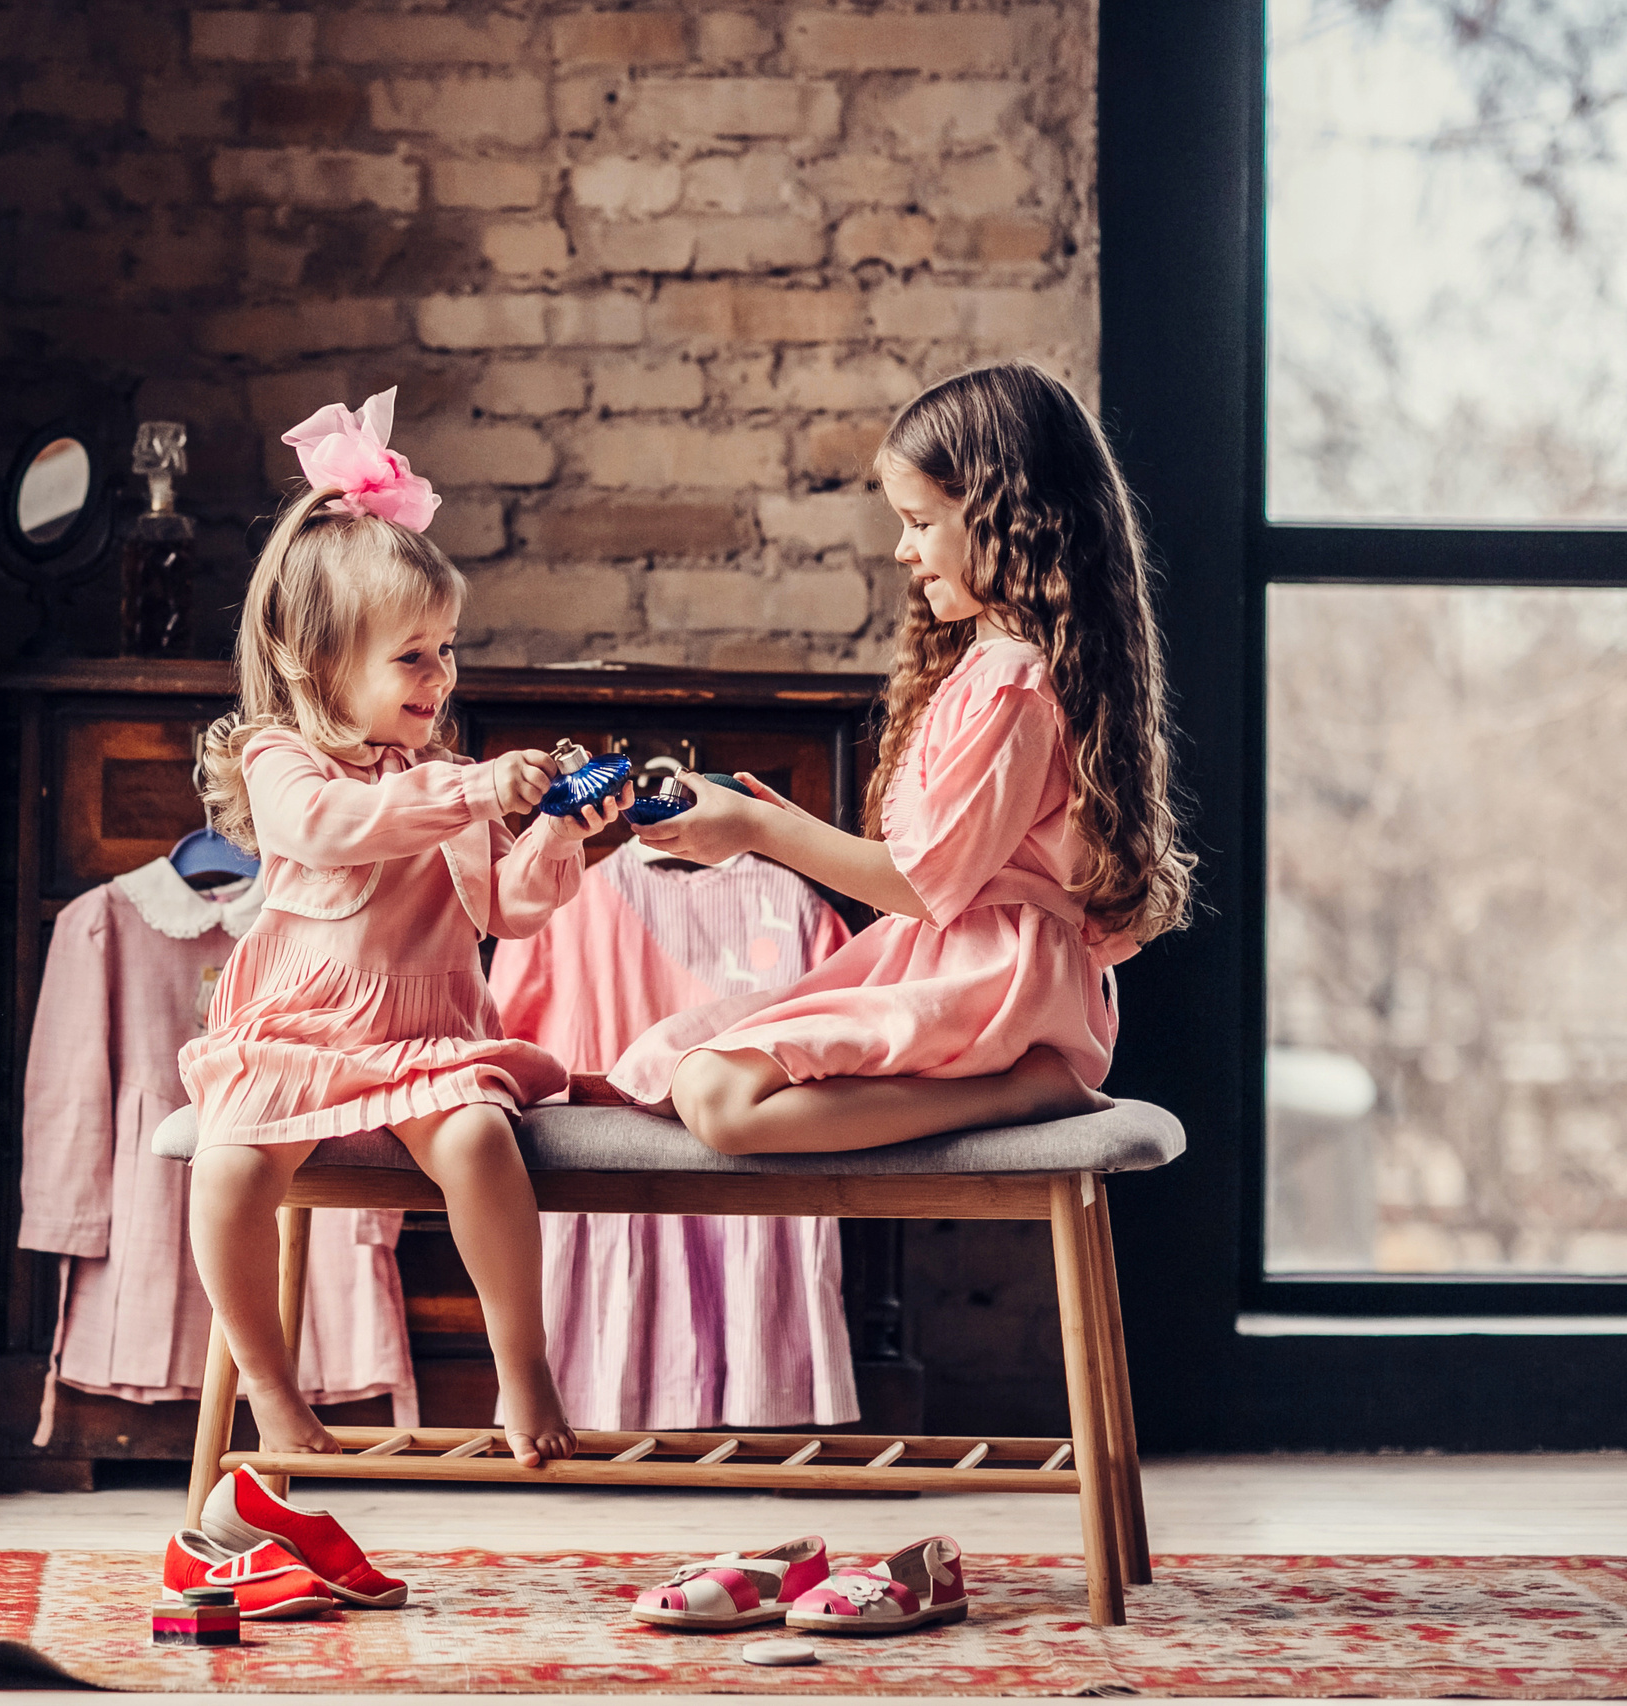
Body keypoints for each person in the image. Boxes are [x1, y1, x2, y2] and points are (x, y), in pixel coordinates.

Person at [182, 389, 623, 1469]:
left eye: (448, 650)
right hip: (301, 1029)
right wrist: (474, 793)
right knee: (228, 1167)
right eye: (412, 657)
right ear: (312, 663)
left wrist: (563, 835)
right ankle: (273, 1393)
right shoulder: (279, 758)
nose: (442, 677)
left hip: (421, 1035)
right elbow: (327, 830)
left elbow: (507, 908)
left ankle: (521, 1367)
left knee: (478, 1139)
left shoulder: (439, 776)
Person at [606, 361, 1195, 1153]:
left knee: (718, 1095)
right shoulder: (993, 667)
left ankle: (1020, 1092)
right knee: (680, 1059)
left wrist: (759, 832)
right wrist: (766, 818)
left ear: (1006, 516)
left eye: (920, 523)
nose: (902, 552)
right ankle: (1010, 1086)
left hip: (997, 981)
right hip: (960, 964)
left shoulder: (1015, 685)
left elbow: (922, 885)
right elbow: (943, 865)